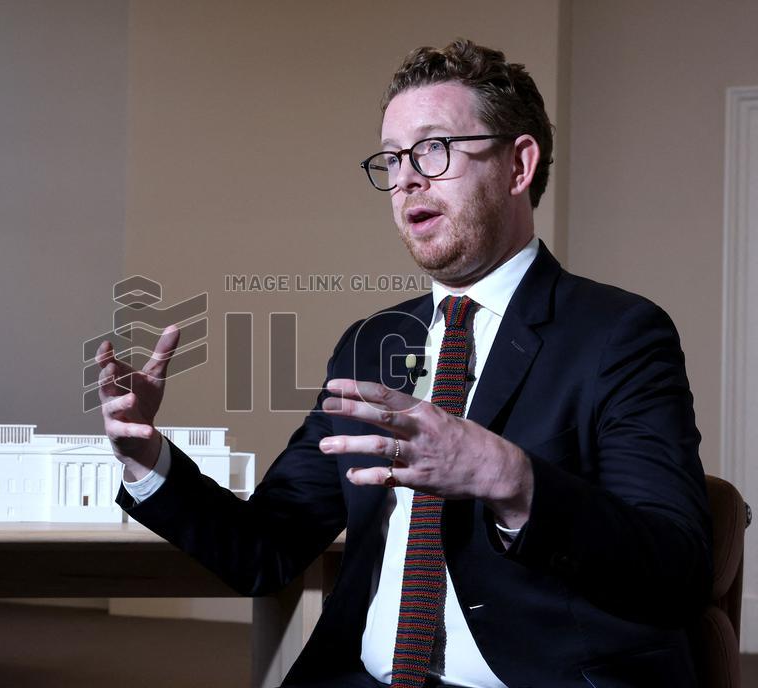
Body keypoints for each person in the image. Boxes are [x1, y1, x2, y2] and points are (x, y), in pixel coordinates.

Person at [94, 39, 711, 688]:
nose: (407, 178)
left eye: (433, 149)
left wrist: (513, 479)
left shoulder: (619, 335)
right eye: (392, 159)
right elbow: (267, 551)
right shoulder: (372, 342)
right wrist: (147, 457)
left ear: (518, 165)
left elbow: (678, 571)